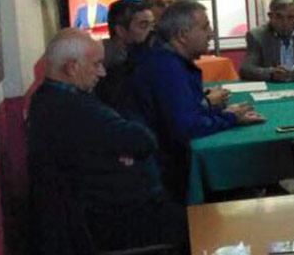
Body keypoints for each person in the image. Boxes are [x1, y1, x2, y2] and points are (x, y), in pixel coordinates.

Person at [28, 29, 185, 253]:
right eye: (96, 64)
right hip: (112, 224)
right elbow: (143, 141)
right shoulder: (72, 109)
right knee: (201, 225)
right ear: (72, 68)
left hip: (108, 213)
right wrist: (125, 148)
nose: (102, 72)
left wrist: (123, 149)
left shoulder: (50, 98)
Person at [129, 0, 265, 202]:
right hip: (166, 176)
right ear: (182, 35)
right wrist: (230, 118)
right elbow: (187, 126)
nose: (211, 33)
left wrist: (222, 113)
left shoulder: (167, 59)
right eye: (205, 27)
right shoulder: (167, 67)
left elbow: (189, 110)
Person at [101, 0, 155, 70]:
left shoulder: (150, 52)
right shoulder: (101, 57)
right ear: (121, 30)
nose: (152, 30)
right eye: (144, 25)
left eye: (152, 24)